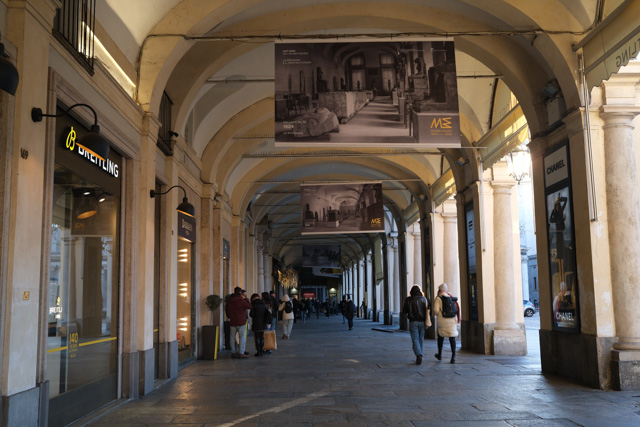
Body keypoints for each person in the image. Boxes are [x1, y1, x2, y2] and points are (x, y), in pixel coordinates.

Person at [433, 283, 460, 364]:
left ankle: (439, 354)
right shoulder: (451, 297)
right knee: (452, 338)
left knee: (440, 337)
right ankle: (453, 356)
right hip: (452, 320)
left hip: (442, 321)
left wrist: (440, 314)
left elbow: (435, 310)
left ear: (439, 290)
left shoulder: (438, 298)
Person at [403, 285, 429, 365]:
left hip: (413, 321)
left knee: (415, 339)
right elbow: (427, 309)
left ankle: (418, 355)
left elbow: (404, 311)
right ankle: (420, 354)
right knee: (421, 339)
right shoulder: (423, 299)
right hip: (422, 321)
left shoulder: (408, 299)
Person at [226, 286, 252, 359]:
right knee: (242, 337)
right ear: (240, 293)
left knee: (232, 337)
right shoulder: (241, 300)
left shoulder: (230, 300)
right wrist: (245, 299)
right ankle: (241, 352)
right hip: (241, 322)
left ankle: (233, 352)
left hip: (232, 321)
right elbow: (250, 306)